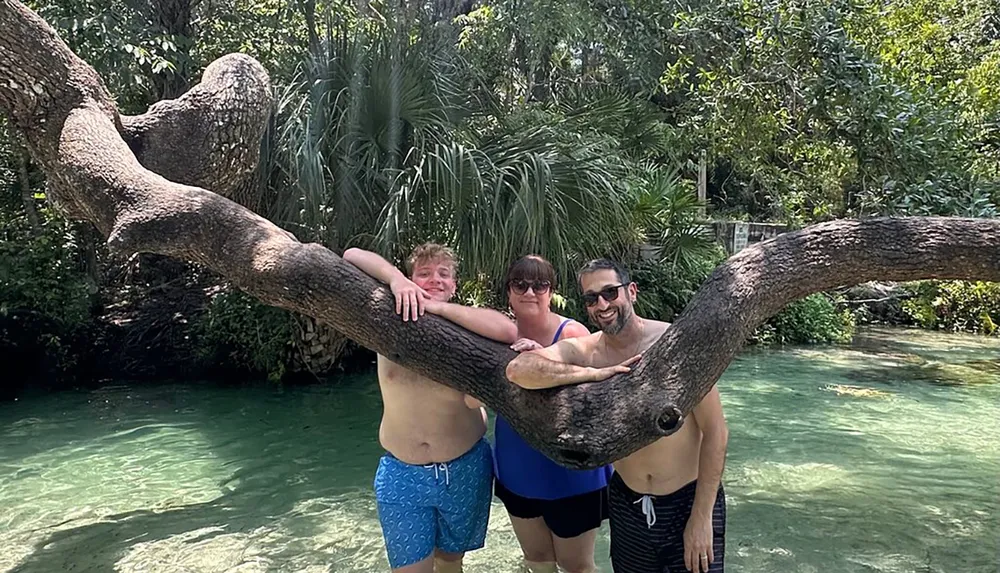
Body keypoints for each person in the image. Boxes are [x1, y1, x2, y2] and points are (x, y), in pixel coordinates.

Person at [504, 259, 729, 573]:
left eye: (611, 292)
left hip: (687, 498)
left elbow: (716, 431)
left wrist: (702, 517)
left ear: (631, 292)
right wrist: (592, 374)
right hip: (627, 499)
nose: (602, 304)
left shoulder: (673, 344)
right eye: (591, 298)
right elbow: (519, 370)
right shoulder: (587, 352)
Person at [343, 244, 518, 573]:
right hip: (403, 472)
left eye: (443, 274)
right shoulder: (387, 315)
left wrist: (439, 311)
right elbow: (351, 256)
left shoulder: (468, 325)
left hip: (465, 468)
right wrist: (396, 281)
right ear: (412, 278)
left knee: (451, 563)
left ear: (454, 285)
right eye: (424, 273)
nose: (434, 279)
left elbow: (508, 330)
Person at [493, 255, 612, 573]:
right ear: (508, 291)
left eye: (539, 284)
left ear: (551, 292)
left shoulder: (571, 333)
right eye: (520, 284)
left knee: (576, 566)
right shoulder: (498, 333)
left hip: (570, 470)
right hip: (516, 465)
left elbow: (596, 396)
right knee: (537, 560)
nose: (529, 292)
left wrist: (542, 362)